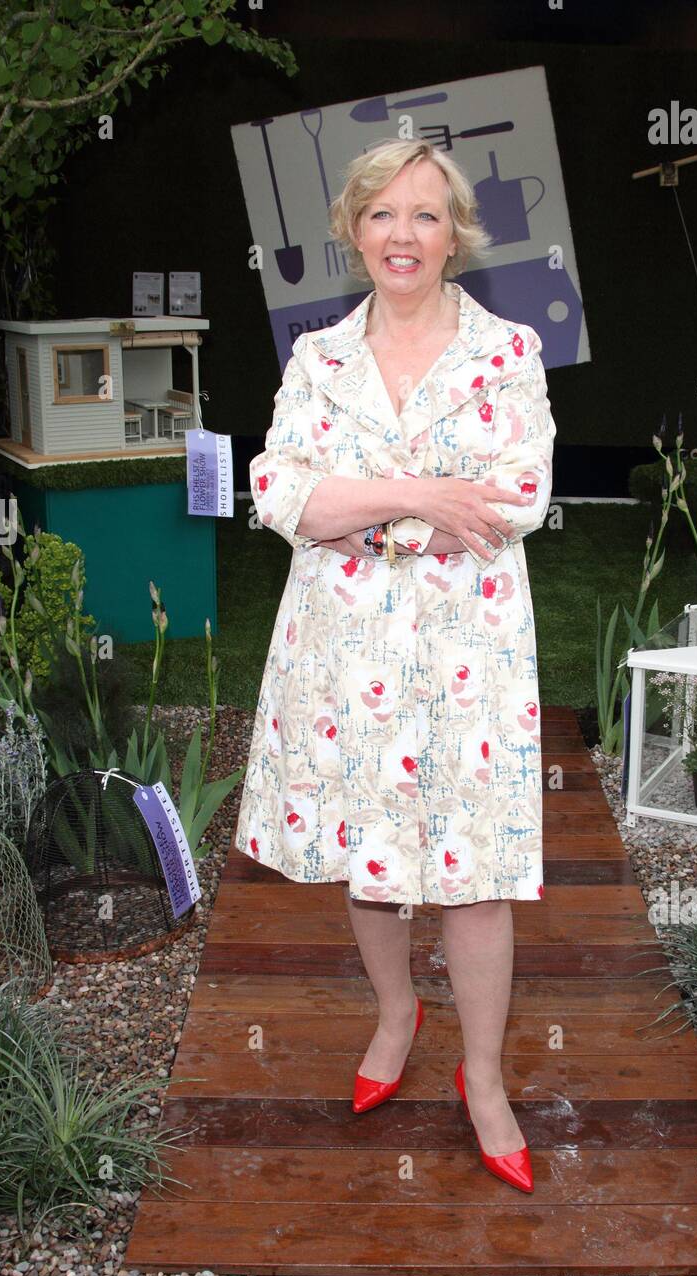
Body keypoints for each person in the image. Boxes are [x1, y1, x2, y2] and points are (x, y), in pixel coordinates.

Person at [235, 137, 556, 1192]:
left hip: (469, 656)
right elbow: (283, 497)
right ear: (351, 229)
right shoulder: (317, 360)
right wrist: (421, 496)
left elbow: (515, 499)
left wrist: (360, 499)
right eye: (382, 215)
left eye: (424, 215)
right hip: (347, 653)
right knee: (370, 852)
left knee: (473, 871)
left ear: (454, 232)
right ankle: (393, 1012)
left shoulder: (506, 351)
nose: (402, 236)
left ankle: (485, 1075)